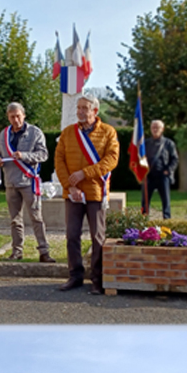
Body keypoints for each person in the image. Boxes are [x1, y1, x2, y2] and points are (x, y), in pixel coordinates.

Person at [54, 94, 120, 294]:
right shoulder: (67, 133)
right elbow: (59, 160)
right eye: (79, 108)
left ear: (95, 111)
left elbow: (112, 160)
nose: (80, 112)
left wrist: (85, 173)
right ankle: (75, 276)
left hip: (96, 192)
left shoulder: (108, 132)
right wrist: (69, 186)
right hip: (73, 193)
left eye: (85, 108)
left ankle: (97, 279)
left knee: (97, 237)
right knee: (72, 235)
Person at [0, 103, 53, 262]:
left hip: (28, 182)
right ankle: (17, 251)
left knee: (36, 217)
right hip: (11, 183)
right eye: (12, 116)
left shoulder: (35, 132)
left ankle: (44, 251)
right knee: (15, 220)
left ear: (24, 115)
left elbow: (43, 155)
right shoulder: (3, 135)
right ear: (8, 117)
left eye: (18, 116)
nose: (16, 119)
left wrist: (24, 156)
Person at [146, 120, 178, 219]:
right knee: (145, 201)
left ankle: (167, 221)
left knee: (166, 201)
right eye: (153, 127)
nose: (155, 129)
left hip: (163, 176)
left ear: (162, 129)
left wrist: (168, 170)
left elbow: (175, 159)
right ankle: (143, 220)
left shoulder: (169, 143)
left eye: (157, 127)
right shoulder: (145, 143)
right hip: (148, 176)